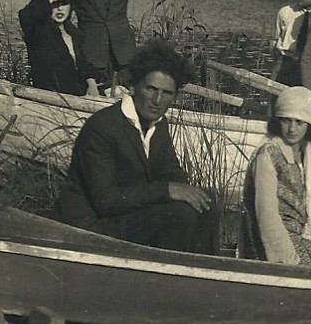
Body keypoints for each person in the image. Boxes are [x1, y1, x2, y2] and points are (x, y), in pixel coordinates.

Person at [55, 39, 217, 254]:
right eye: (151, 89)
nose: (158, 100)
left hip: (124, 218)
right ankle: (165, 279)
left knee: (207, 203)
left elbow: (173, 173)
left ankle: (202, 274)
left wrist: (186, 191)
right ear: (133, 87)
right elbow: (106, 200)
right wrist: (167, 191)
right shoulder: (103, 127)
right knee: (179, 214)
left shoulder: (158, 126)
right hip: (88, 228)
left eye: (167, 93)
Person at [238, 86, 311, 268]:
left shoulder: (303, 153)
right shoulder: (268, 154)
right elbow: (266, 213)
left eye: (299, 122)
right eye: (286, 121)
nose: (292, 129)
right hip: (270, 246)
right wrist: (287, 261)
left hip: (296, 238)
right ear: (278, 121)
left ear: (309, 125)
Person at [17, 0, 103, 96]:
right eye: (55, 4)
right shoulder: (38, 31)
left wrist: (91, 83)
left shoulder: (73, 33)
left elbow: (83, 64)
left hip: (77, 95)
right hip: (51, 96)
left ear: (71, 6)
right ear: (47, 6)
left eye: (64, 3)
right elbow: (26, 14)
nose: (60, 9)